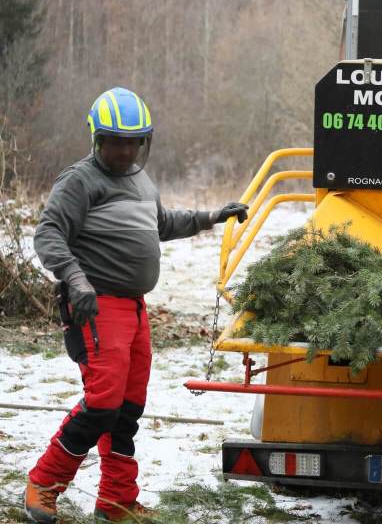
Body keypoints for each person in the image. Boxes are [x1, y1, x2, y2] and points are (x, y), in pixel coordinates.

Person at [23, 88, 249, 523]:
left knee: (127, 409)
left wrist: (211, 217)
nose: (125, 150)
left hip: (135, 309)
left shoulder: (140, 180)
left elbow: (162, 223)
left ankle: (116, 500)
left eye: (134, 142)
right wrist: (76, 280)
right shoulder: (80, 180)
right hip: (96, 306)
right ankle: (43, 483)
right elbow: (47, 234)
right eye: (115, 141)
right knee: (103, 404)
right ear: (97, 139)